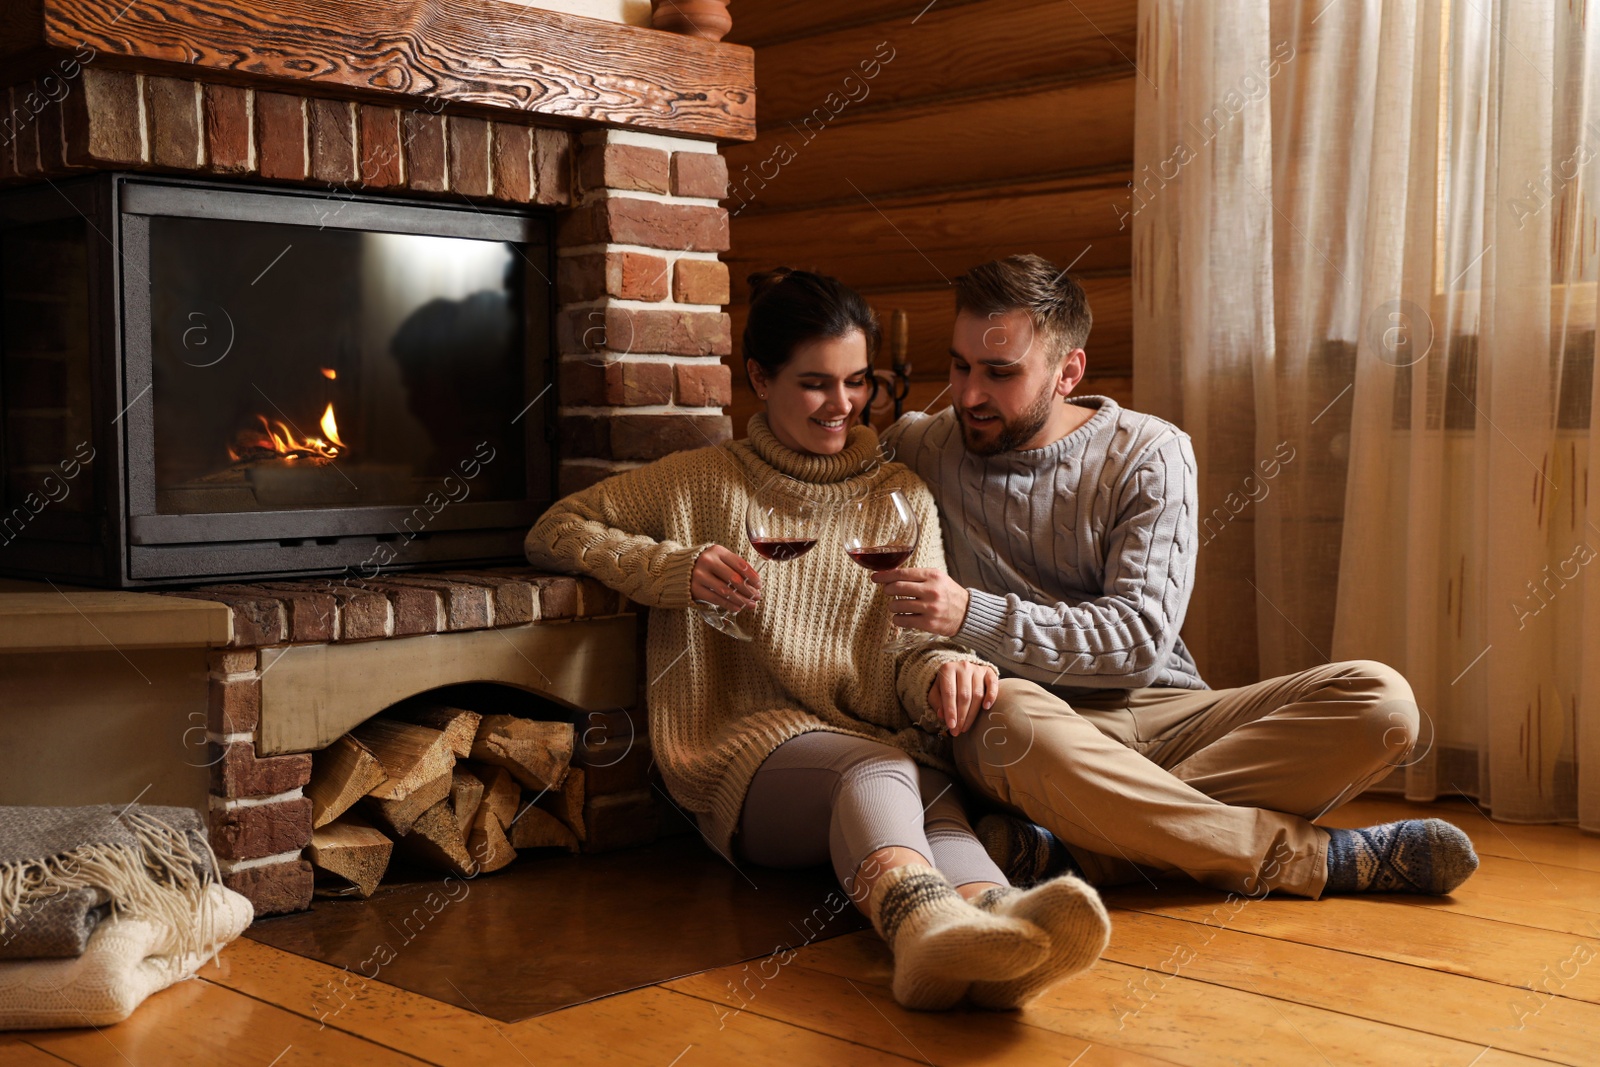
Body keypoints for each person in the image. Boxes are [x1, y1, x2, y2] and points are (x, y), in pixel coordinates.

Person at [525, 268, 1109, 1010]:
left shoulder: (897, 493)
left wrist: (943, 671)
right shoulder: (698, 484)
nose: (843, 406)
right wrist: (673, 567)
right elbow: (554, 529)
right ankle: (919, 928)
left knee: (936, 802)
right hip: (739, 751)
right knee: (876, 770)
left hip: (877, 743)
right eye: (816, 384)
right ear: (760, 377)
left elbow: (908, 647)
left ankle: (1000, 936)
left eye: (857, 382)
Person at [876, 254, 1479, 899]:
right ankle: (1317, 859)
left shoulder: (1149, 452)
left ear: (1068, 372)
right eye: (960, 365)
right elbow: (819, 481)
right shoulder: (923, 444)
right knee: (999, 720)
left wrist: (973, 613)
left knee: (1383, 704)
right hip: (1037, 728)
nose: (968, 394)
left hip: (1165, 711)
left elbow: (1138, 643)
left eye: (1000, 373)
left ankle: (1087, 847)